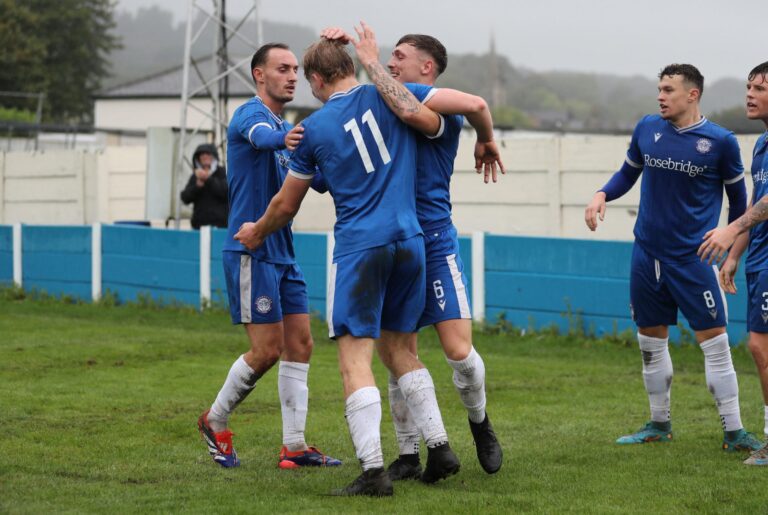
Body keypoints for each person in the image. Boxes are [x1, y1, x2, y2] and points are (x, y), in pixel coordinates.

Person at [235, 24, 460, 496]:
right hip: (412, 240)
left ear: (317, 81)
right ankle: (439, 446)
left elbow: (286, 204)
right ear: (351, 68)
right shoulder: (389, 95)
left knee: (354, 359)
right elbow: (459, 105)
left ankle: (374, 471)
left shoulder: (315, 128)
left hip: (361, 247)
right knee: (402, 351)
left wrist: (257, 230)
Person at [320, 27, 504, 478]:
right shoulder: (382, 99)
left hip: (434, 239)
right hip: (398, 240)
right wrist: (339, 50)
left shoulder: (423, 100)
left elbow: (478, 105)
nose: (392, 61)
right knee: (396, 348)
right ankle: (407, 455)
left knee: (459, 352)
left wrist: (486, 137)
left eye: (400, 56)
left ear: (426, 68)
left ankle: (480, 421)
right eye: (390, 57)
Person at [584, 63, 762, 452]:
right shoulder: (648, 128)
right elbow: (627, 173)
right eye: (659, 90)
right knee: (650, 342)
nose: (661, 97)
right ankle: (658, 424)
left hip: (694, 259)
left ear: (692, 94)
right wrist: (602, 194)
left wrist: (730, 251)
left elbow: (738, 205)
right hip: (647, 254)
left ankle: (734, 431)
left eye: (668, 90)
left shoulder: (720, 142)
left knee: (714, 344)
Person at [196, 42, 340, 470]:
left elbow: (318, 181)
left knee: (300, 343)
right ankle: (214, 419)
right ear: (260, 75)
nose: (293, 75)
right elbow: (263, 138)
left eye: (296, 68)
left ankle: (293, 448)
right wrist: (290, 137)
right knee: (266, 351)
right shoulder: (251, 116)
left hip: (283, 252)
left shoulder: (287, 129)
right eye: (283, 68)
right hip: (250, 249)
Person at [697, 61, 768, 465]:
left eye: (759, 88)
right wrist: (735, 254)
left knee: (761, 346)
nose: (749, 94)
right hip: (758, 259)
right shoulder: (761, 144)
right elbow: (760, 201)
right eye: (748, 86)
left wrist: (729, 231)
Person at [180, 143, 228, 229]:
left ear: (214, 156)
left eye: (208, 154)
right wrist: (197, 187)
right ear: (198, 158)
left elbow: (226, 192)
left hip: (221, 227)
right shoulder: (195, 176)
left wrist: (208, 179)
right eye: (202, 154)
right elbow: (185, 198)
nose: (204, 156)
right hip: (199, 227)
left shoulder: (223, 172)